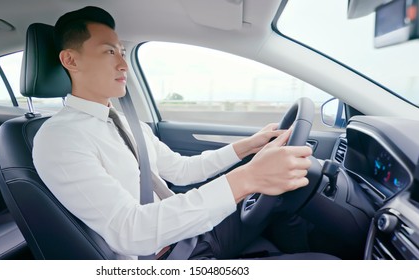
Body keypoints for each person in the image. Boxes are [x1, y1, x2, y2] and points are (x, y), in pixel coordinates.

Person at [33, 6, 337, 260]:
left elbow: (181, 170)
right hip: (164, 258)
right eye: (110, 51)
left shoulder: (126, 123)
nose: (124, 64)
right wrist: (249, 178)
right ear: (70, 60)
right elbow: (131, 232)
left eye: (123, 51)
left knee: (288, 200)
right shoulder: (58, 139)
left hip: (190, 231)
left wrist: (248, 147)